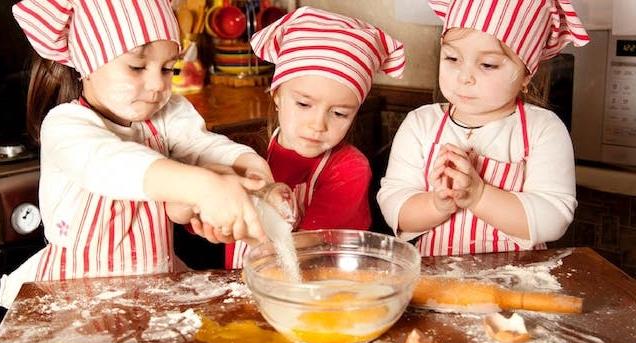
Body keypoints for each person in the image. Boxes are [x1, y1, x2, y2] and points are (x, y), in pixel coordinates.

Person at [0, 0, 272, 308]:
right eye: (137, 67)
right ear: (88, 65)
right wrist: (205, 186)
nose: (157, 84)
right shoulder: (65, 126)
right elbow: (110, 164)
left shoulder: (167, 116)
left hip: (153, 291)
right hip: (77, 300)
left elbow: (202, 146)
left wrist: (250, 168)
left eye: (169, 68)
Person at [377, 0, 589, 257]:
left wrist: (478, 196)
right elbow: (393, 205)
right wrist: (436, 205)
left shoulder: (543, 130)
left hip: (518, 283)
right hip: (435, 281)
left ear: (526, 75)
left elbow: (554, 217)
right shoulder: (420, 125)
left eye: (487, 64)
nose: (464, 77)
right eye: (452, 58)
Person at [224, 6, 407, 268]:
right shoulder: (246, 152)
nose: (317, 125)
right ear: (277, 96)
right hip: (240, 290)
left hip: (320, 295)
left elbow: (311, 243)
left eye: (339, 113)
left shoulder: (349, 169)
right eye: (304, 104)